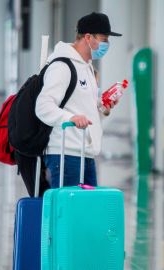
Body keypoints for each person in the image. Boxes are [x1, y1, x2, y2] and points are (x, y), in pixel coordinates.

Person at [35, 12, 122, 188]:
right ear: (88, 37)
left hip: (85, 153)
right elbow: (43, 106)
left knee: (86, 212)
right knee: (70, 213)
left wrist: (102, 106)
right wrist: (69, 119)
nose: (106, 44)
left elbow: (80, 106)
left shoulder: (87, 67)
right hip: (65, 154)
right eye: (103, 39)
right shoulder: (62, 66)